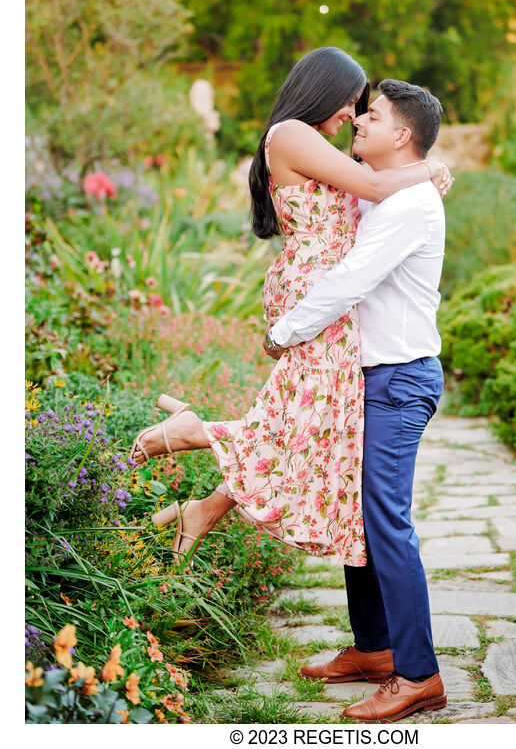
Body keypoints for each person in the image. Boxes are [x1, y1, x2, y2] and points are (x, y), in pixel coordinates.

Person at [128, 48, 452, 572]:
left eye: (362, 108)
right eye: (350, 103)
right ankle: (192, 435)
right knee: (309, 420)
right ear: (322, 88)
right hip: (314, 289)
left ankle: (204, 505)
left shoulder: (313, 142)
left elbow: (369, 196)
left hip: (320, 289)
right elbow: (371, 187)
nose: (352, 115)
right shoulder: (291, 133)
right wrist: (429, 167)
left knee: (310, 422)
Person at [264, 79, 448, 722]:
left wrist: (285, 331)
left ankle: (418, 674)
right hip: (367, 377)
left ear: (402, 134)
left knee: (386, 523)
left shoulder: (409, 205)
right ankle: (373, 649)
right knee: (358, 516)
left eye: (370, 116)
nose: (356, 123)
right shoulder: (385, 194)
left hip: (399, 379)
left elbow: (350, 279)